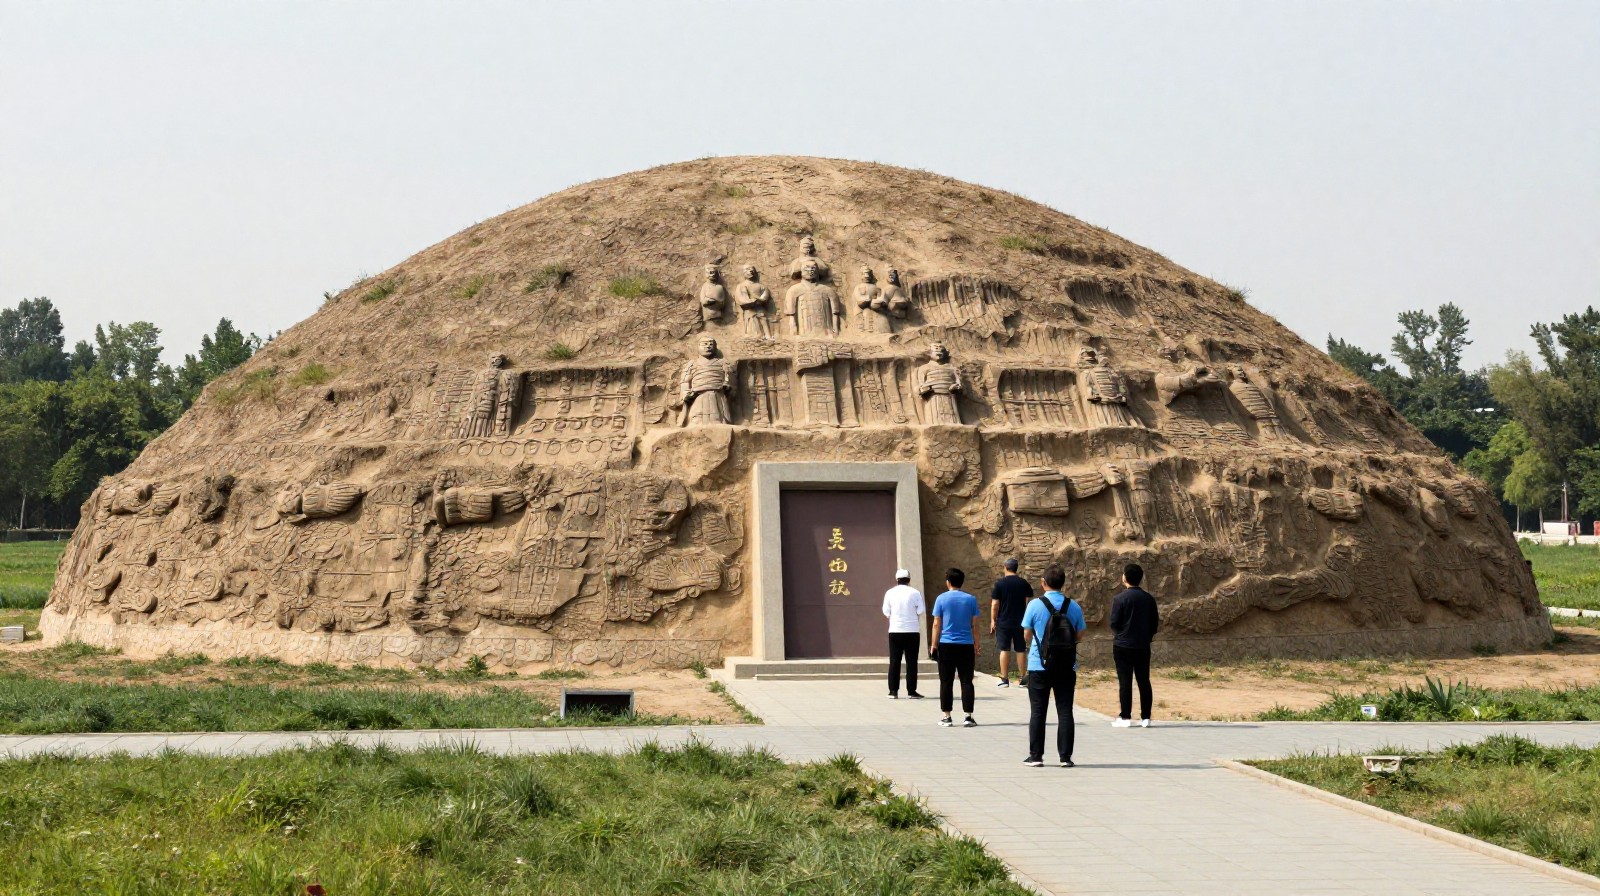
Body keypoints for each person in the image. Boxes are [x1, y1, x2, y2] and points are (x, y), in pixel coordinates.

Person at [1021, 564, 1086, 767]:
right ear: (1063, 583)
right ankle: (1065, 757)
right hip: (1066, 665)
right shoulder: (1073, 606)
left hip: (1039, 663)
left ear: (1043, 583)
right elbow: (1080, 633)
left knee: (1038, 711)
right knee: (1065, 710)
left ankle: (1036, 755)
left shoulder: (1034, 605)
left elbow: (1026, 634)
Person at [1109, 563, 1160, 728]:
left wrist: (1121, 634)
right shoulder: (1149, 599)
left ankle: (1125, 717)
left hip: (1123, 645)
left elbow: (1114, 623)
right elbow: (1154, 624)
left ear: (1124, 577)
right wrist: (1147, 637)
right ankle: (1146, 717)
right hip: (1142, 645)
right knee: (1144, 680)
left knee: (1125, 682)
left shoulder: (1120, 599)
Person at [930, 567, 981, 728]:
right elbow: (974, 625)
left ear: (948, 582)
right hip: (966, 644)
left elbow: (937, 623)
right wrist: (976, 644)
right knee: (967, 681)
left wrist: (934, 645)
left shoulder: (941, 599)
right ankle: (968, 716)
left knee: (946, 681)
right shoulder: (971, 599)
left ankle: (947, 716)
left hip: (946, 644)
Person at [882, 568, 925, 700]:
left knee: (894, 661)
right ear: (909, 579)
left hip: (895, 630)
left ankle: (893, 691)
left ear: (897, 580)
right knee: (911, 662)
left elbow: (886, 611)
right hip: (912, 630)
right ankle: (911, 691)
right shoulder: (915, 592)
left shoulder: (890, 593)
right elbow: (921, 610)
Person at [989, 558, 1033, 688]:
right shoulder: (1024, 583)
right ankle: (1023, 678)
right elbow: (1027, 602)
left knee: (1004, 648)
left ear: (1005, 567)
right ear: (1016, 568)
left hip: (1004, 621)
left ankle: (1004, 678)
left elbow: (995, 604)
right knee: (1020, 649)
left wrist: (993, 619)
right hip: (1021, 621)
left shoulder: (1000, 584)